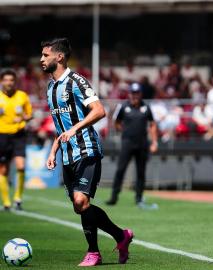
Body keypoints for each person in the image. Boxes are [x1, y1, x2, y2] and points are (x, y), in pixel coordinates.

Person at [41, 37, 133, 266]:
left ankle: (94, 252)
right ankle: (121, 236)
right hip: (67, 154)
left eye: (45, 55)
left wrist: (75, 128)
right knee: (79, 206)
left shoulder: (76, 82)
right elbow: (60, 127)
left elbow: (99, 111)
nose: (41, 59)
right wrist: (53, 151)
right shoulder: (51, 88)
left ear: (59, 57)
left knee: (81, 202)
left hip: (87, 149)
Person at [105, 82, 158, 208]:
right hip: (127, 143)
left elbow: (152, 124)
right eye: (133, 93)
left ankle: (139, 198)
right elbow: (117, 122)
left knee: (141, 172)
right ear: (130, 94)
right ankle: (114, 197)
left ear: (140, 94)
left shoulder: (146, 107)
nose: (135, 96)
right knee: (120, 169)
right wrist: (123, 130)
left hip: (142, 143)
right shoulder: (124, 107)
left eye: (137, 93)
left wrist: (155, 141)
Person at [0, 69, 32, 211]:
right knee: (3, 170)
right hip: (2, 136)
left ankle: (18, 198)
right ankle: (6, 202)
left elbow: (30, 115)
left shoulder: (22, 96)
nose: (9, 83)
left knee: (20, 166)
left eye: (11, 80)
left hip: (19, 135)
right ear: (2, 82)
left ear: (15, 82)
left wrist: (23, 118)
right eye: (6, 80)